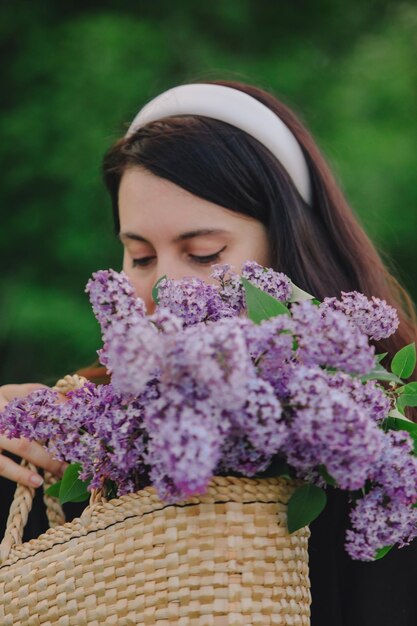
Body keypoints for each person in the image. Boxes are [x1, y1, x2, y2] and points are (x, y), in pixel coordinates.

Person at [1, 80, 416, 625]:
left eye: (204, 253)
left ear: (288, 247)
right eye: (141, 256)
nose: (168, 287)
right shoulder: (92, 432)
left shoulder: (388, 445)